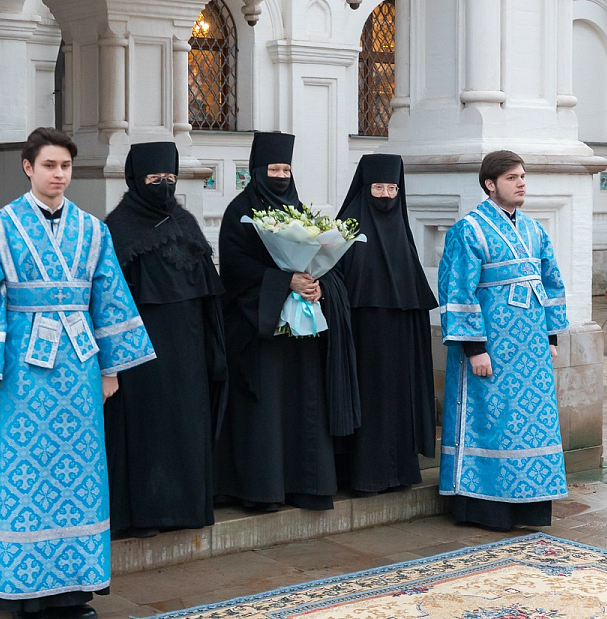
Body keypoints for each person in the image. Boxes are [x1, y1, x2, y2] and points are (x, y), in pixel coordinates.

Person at [0, 127, 155, 619]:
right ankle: (21, 590)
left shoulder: (93, 230)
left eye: (65, 166)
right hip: (20, 367)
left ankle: (71, 591)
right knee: (21, 470)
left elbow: (109, 295)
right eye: (49, 166)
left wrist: (111, 367)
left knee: (78, 474)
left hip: (79, 368)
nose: (59, 175)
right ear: (28, 167)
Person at [213, 131, 360, 511]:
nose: (280, 176)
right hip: (259, 335)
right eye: (273, 169)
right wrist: (285, 282)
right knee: (265, 411)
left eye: (285, 169)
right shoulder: (239, 213)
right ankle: (263, 490)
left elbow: (326, 265)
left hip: (302, 337)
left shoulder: (300, 212)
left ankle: (306, 485)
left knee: (303, 406)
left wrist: (318, 286)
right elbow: (235, 272)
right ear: (257, 171)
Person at [437, 150, 569, 531]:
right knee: (491, 421)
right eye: (512, 178)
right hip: (490, 349)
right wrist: (474, 348)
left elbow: (551, 283)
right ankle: (484, 508)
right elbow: (457, 289)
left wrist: (550, 336)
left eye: (523, 176)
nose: (521, 183)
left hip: (531, 353)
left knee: (531, 424)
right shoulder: (469, 230)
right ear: (490, 184)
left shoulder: (534, 230)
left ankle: (529, 507)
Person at [103, 141, 227, 537]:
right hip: (142, 351)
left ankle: (185, 509)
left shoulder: (185, 222)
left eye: (170, 178)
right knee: (148, 429)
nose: (164, 185)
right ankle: (145, 515)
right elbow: (109, 297)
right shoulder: (118, 227)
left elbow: (207, 289)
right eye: (154, 178)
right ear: (135, 179)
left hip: (188, 348)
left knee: (186, 425)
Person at [336, 154, 437, 494]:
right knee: (367, 401)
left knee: (398, 401)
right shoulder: (347, 226)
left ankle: (398, 473)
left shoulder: (400, 227)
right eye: (378, 188)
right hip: (362, 334)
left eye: (393, 188)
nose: (386, 195)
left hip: (399, 335)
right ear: (365, 188)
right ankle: (365, 476)